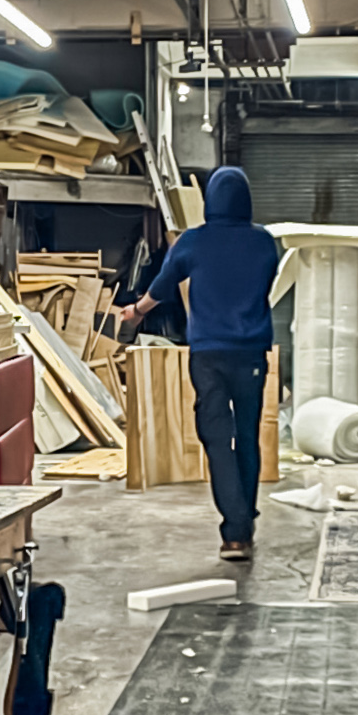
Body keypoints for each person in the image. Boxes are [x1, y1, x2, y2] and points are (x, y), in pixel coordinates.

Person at [119, 165, 281, 561]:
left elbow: (160, 287)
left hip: (208, 354)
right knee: (247, 434)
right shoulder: (264, 243)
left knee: (215, 437)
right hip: (252, 353)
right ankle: (244, 517)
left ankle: (235, 529)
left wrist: (136, 312)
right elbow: (266, 280)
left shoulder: (192, 242)